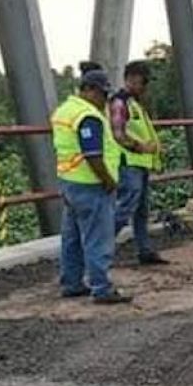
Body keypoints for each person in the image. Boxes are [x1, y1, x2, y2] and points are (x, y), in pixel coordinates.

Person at [52, 65, 131, 304]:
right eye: (101, 94)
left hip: (69, 182)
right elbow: (93, 153)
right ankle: (102, 287)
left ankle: (72, 283)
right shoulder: (87, 116)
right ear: (87, 90)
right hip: (91, 184)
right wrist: (108, 181)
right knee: (98, 237)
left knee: (72, 237)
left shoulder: (64, 110)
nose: (104, 100)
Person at [109, 60, 168, 266]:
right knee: (125, 208)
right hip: (129, 163)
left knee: (141, 210)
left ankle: (144, 250)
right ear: (133, 79)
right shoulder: (121, 103)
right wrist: (141, 147)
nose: (145, 87)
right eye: (144, 82)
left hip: (139, 163)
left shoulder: (134, 104)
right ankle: (101, 249)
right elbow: (118, 134)